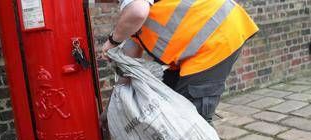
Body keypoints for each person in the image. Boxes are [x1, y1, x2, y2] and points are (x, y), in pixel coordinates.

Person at [101, 0, 259, 124]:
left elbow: (137, 12)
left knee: (193, 120)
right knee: (169, 104)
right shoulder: (131, 21)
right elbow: (129, 64)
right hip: (212, 35)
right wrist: (112, 108)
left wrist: (112, 41)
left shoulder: (132, 10)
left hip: (214, 38)